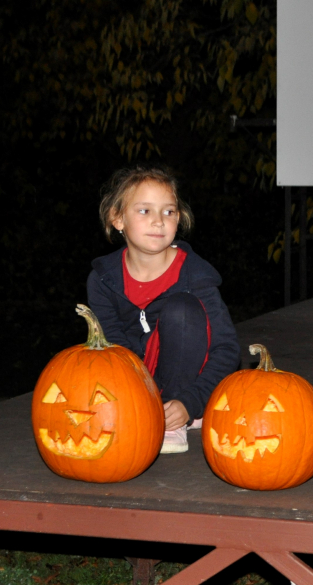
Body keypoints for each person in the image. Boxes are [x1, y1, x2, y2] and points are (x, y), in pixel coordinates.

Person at [87, 166, 241, 454]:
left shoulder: (195, 276)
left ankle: (176, 420)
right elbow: (115, 350)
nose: (159, 221)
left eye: (169, 212)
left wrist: (191, 401)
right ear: (117, 219)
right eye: (145, 211)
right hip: (138, 384)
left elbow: (227, 349)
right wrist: (136, 404)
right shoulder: (103, 279)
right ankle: (153, 410)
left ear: (178, 219)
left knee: (181, 309)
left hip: (187, 383)